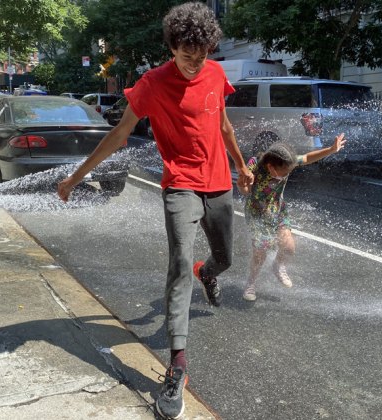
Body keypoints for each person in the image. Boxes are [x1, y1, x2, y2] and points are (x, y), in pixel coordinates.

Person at [56, 3, 253, 419]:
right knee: (180, 262)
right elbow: (119, 133)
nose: (194, 65)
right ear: (172, 48)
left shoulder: (216, 74)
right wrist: (75, 178)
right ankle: (177, 363)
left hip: (219, 183)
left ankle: (209, 273)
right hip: (180, 183)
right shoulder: (151, 84)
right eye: (186, 56)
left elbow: (224, 126)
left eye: (201, 56)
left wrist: (241, 166)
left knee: (225, 259)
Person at [237, 134, 346, 301]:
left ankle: (278, 265)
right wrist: (243, 186)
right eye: (283, 172)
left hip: (278, 209)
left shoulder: (287, 160)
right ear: (270, 166)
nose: (286, 174)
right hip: (256, 213)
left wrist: (331, 150)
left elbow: (308, 157)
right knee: (260, 253)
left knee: (289, 248)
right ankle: (251, 283)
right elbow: (245, 191)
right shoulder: (255, 165)